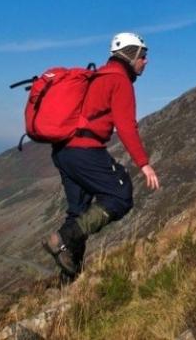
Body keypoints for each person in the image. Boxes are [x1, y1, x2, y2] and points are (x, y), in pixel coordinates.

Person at [43, 32, 160, 279]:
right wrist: (144, 164)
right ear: (131, 55)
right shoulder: (119, 81)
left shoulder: (97, 76)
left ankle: (69, 278)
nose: (146, 61)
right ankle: (64, 238)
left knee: (78, 212)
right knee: (121, 195)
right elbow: (127, 126)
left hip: (64, 152)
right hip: (85, 150)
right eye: (143, 55)